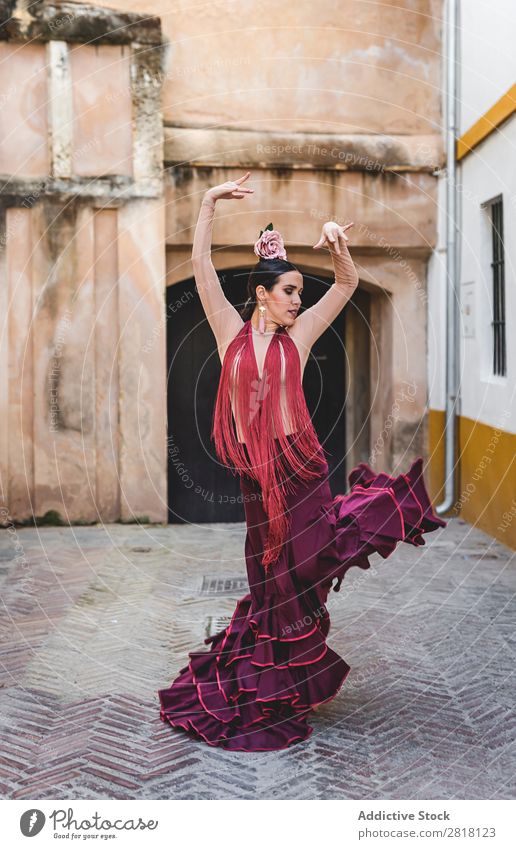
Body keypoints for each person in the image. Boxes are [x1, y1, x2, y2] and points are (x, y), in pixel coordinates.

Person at [158, 171, 447, 751]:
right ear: (262, 293)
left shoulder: (303, 334)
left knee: (314, 555)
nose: (299, 299)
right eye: (290, 290)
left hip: (303, 470)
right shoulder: (228, 331)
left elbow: (346, 284)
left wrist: (338, 243)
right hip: (256, 481)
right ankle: (275, 685)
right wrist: (210, 203)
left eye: (299, 291)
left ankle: (389, 509)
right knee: (273, 582)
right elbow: (203, 265)